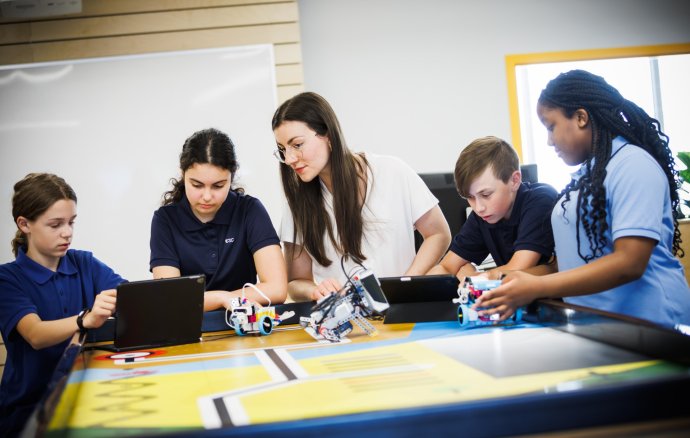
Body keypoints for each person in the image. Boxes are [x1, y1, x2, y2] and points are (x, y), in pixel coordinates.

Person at [475, 69, 690, 329]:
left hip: (655, 324)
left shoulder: (633, 165)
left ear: (580, 117)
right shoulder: (585, 178)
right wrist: (516, 279)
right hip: (601, 326)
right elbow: (571, 264)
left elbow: (630, 262)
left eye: (551, 126)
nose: (548, 140)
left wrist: (537, 286)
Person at [272, 92, 451, 302]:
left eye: (297, 145)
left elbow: (438, 234)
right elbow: (296, 282)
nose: (290, 158)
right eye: (283, 150)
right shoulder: (297, 203)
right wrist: (315, 290)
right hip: (347, 323)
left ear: (327, 134)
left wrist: (405, 283)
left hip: (402, 311)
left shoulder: (392, 171)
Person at [0, 173, 123, 436]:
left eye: (71, 222)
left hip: (84, 398)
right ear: (24, 224)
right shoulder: (7, 278)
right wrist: (84, 320)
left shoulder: (84, 263)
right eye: (55, 224)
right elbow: (35, 334)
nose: (67, 232)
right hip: (28, 413)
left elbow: (133, 296)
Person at [150, 128, 287, 309]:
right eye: (197, 185)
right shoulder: (165, 220)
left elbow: (277, 289)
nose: (207, 196)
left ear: (232, 176)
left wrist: (222, 298)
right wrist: (222, 299)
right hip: (190, 331)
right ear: (182, 174)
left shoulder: (249, 210)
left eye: (218, 186)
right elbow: (171, 298)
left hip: (246, 327)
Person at [427, 136, 557, 279]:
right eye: (470, 197)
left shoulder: (540, 200)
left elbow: (518, 270)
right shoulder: (482, 216)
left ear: (514, 180)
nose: (479, 208)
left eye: (486, 194)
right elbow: (447, 267)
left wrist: (471, 276)